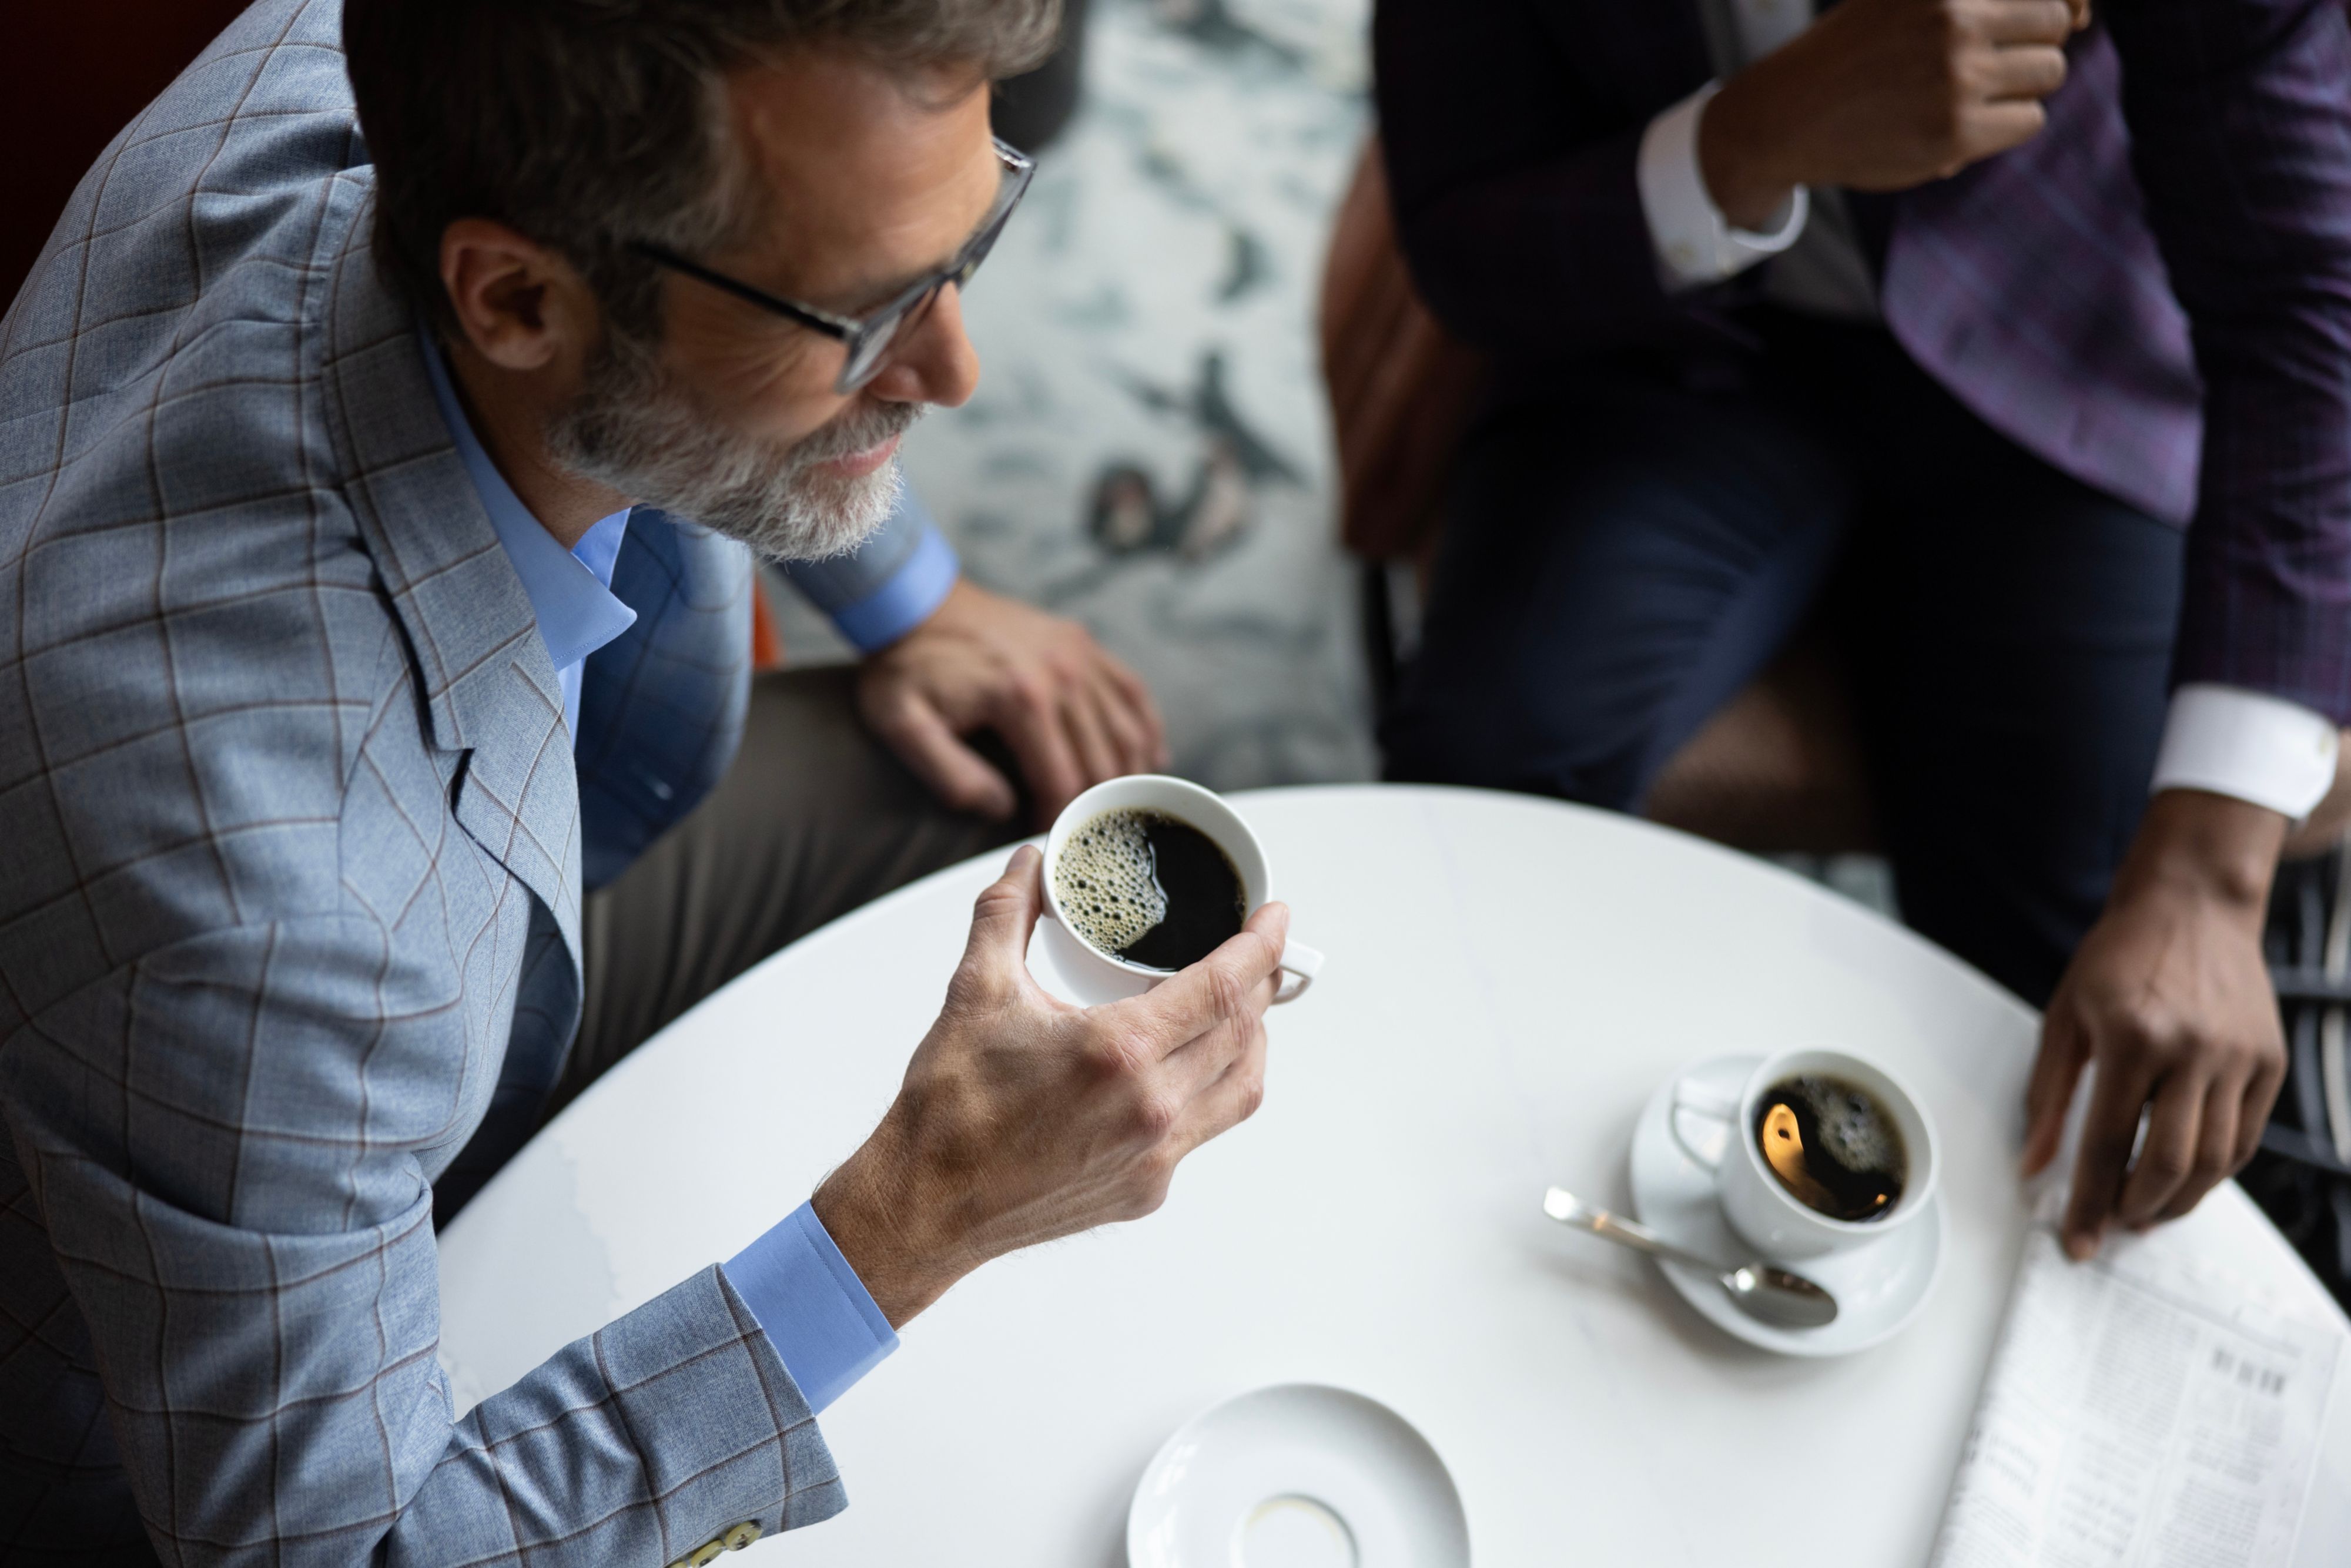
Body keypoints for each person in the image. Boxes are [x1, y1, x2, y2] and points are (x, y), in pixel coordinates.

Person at [0, 0, 1291, 1560]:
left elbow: (789, 260)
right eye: (872, 319)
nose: (957, 369)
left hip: (529, 866)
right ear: (520, 296)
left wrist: (917, 602)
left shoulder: (382, 67)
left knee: (1029, 788)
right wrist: (914, 1212)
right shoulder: (265, 908)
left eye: (968, 243)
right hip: (213, 1360)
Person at [1373, 0, 2351, 1261]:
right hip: (1675, 354)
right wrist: (1744, 139)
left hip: (2068, 348)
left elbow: (2299, 295)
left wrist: (2211, 874)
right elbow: (1461, 239)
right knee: (1476, 785)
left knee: (2072, 1020)